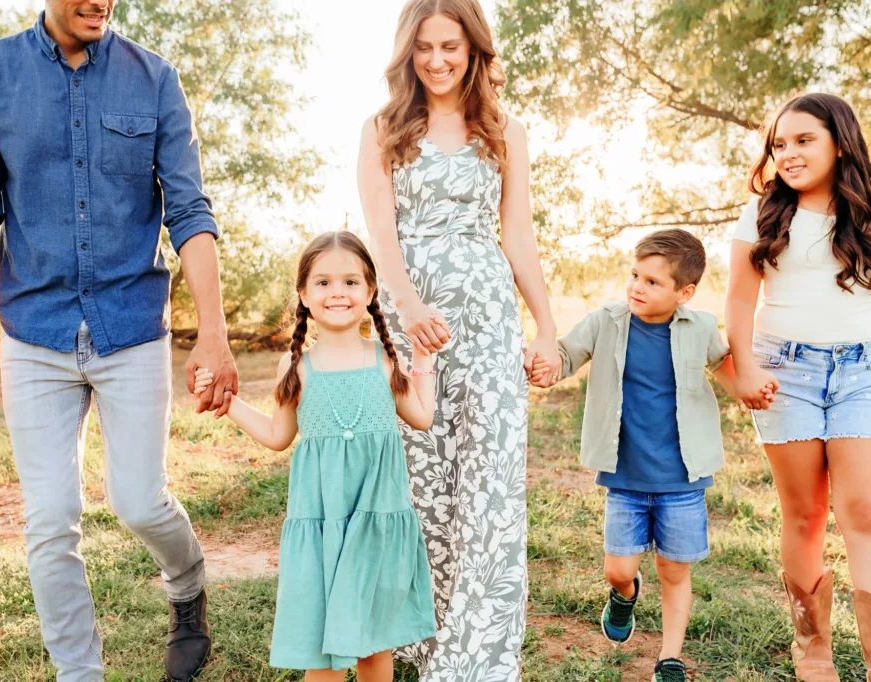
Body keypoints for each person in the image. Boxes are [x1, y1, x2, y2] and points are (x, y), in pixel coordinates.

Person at [0, 2, 237, 680]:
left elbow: (189, 210)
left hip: (131, 325)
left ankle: (187, 587)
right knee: (50, 518)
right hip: (34, 330)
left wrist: (213, 334)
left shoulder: (154, 78)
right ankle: (79, 673)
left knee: (139, 501)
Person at [356, 0, 562, 678]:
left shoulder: (504, 130)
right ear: (406, 52)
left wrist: (545, 325)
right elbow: (381, 232)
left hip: (487, 319)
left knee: (490, 478)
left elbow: (518, 234)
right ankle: (420, 635)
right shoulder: (383, 129)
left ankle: (477, 657)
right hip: (410, 320)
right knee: (420, 478)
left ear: (474, 49)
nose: (437, 60)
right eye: (424, 47)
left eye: (450, 46)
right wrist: (408, 305)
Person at [531, 229, 774, 681]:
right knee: (618, 569)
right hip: (625, 477)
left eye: (652, 282)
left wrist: (747, 390)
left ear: (685, 293)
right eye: (635, 275)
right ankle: (625, 595)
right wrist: (546, 366)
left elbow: (723, 365)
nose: (637, 287)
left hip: (682, 479)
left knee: (674, 571)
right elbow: (565, 354)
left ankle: (669, 657)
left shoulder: (700, 328)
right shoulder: (606, 321)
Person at [194, 231, 437, 682]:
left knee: (373, 645)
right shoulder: (296, 367)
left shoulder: (385, 359)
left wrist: (422, 357)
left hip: (376, 523)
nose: (337, 292)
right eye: (323, 282)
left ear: (370, 292)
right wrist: (228, 403)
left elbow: (421, 417)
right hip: (322, 523)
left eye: (350, 281)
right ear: (304, 295)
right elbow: (277, 435)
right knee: (322, 653)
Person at [725, 92, 871, 682]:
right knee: (806, 513)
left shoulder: (867, 211)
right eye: (779, 144)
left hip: (862, 370)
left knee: (862, 509)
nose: (788, 153)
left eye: (804, 140)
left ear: (841, 142)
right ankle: (813, 649)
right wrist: (744, 368)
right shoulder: (762, 213)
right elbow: (739, 300)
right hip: (784, 372)